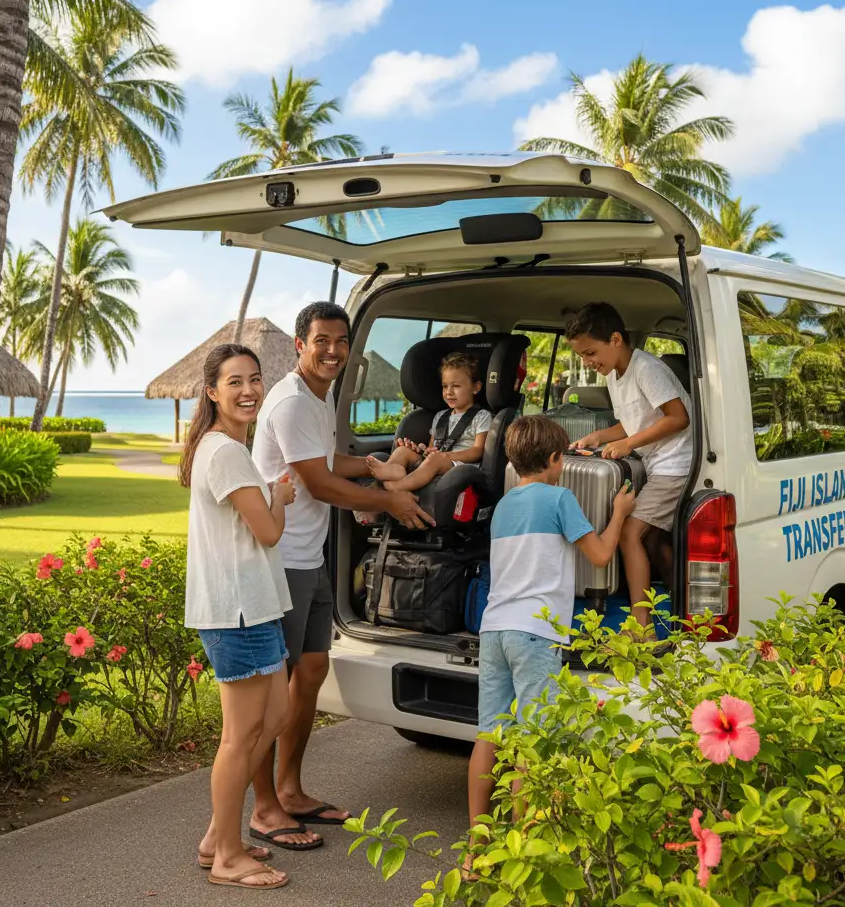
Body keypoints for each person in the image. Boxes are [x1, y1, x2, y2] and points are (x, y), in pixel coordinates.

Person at [249, 301, 435, 851]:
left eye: (341, 341)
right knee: (272, 693)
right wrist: (392, 499)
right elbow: (320, 486)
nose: (333, 351)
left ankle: (291, 789)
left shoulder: (318, 396)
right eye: (321, 341)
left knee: (309, 675)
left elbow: (327, 463)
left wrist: (378, 462)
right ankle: (263, 808)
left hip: (309, 558)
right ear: (300, 346)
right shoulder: (289, 403)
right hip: (278, 562)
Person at [467, 415, 635, 858]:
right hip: (535, 633)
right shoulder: (560, 497)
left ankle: (477, 845)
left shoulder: (505, 504)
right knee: (532, 738)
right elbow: (599, 557)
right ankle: (526, 848)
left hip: (494, 628)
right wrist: (618, 514)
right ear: (557, 458)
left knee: (490, 734)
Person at [179, 343, 294, 891]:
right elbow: (268, 532)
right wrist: (281, 496)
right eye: (234, 382)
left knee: (273, 719)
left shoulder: (224, 447)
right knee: (240, 735)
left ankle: (214, 837)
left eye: (254, 379)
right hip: (238, 611)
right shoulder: (224, 452)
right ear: (212, 390)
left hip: (257, 605)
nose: (248, 390)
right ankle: (226, 856)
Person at [564, 302, 692, 631]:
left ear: (616, 340)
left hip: (677, 462)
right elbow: (632, 423)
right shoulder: (615, 374)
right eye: (582, 356)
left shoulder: (646, 369)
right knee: (652, 542)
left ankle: (640, 627)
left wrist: (628, 445)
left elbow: (679, 418)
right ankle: (683, 613)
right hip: (658, 463)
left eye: (591, 353)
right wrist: (599, 436)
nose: (587, 363)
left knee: (628, 533)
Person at [367, 351, 492, 493]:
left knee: (435, 460)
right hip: (435, 460)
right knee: (402, 450)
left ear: (475, 388)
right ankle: (392, 469)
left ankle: (395, 488)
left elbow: (477, 451)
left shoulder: (482, 416)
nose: (449, 392)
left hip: (460, 467)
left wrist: (445, 456)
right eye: (445, 386)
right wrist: (422, 450)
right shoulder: (440, 416)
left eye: (456, 386)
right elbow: (432, 447)